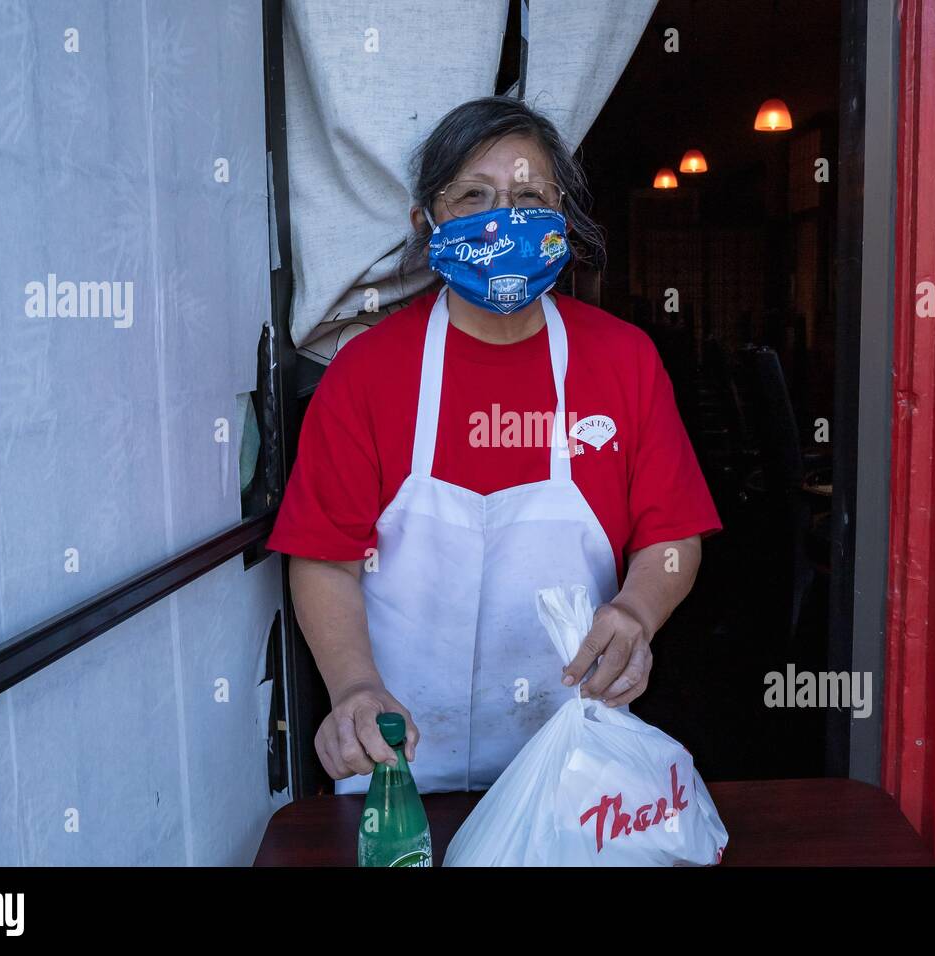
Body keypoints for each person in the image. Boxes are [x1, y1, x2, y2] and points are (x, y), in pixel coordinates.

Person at [267, 95, 721, 794]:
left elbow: (672, 536)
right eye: (472, 196)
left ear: (560, 221)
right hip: (400, 768)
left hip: (571, 767)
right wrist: (354, 686)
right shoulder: (369, 371)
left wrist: (636, 613)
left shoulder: (622, 360)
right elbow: (324, 559)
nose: (500, 218)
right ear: (426, 223)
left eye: (528, 195)